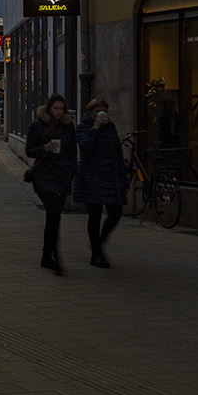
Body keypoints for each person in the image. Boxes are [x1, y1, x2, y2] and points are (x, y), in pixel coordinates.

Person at [26, 94, 78, 275]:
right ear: (49, 108)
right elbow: (29, 151)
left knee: (54, 217)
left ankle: (46, 256)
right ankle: (54, 254)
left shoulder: (68, 126)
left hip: (62, 175)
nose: (58, 112)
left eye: (61, 109)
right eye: (55, 108)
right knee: (54, 212)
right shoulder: (37, 126)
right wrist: (44, 149)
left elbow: (72, 151)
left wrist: (72, 170)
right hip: (43, 175)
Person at [74, 97, 125, 268]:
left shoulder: (110, 127)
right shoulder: (83, 127)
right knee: (94, 215)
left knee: (115, 212)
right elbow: (86, 147)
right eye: (97, 111)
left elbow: (117, 151)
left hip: (110, 175)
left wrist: (122, 172)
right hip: (91, 176)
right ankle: (97, 254)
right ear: (90, 112)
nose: (101, 114)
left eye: (103, 110)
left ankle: (99, 243)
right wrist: (95, 127)